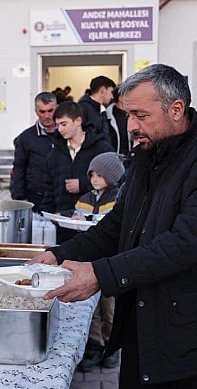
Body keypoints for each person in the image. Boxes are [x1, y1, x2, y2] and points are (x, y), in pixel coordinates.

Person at [30, 64, 197, 389]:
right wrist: (60, 255)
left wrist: (99, 274)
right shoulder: (146, 154)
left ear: (176, 109)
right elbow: (119, 224)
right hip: (147, 323)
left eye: (140, 115)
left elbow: (186, 243)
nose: (131, 126)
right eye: (127, 115)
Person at [72, 152, 125, 372]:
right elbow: (77, 218)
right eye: (92, 174)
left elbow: (112, 226)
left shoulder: (118, 198)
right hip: (89, 261)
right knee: (90, 309)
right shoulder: (85, 199)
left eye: (100, 175)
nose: (94, 179)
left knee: (109, 307)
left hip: (110, 261)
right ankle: (94, 345)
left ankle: (111, 346)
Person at [39, 101, 113, 244]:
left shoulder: (101, 148)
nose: (59, 129)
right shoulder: (54, 154)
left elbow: (115, 181)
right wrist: (49, 215)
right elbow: (49, 188)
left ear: (78, 120)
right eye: (58, 125)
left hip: (93, 226)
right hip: (63, 226)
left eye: (64, 124)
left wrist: (83, 184)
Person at [11, 92, 58, 211]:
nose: (47, 116)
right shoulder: (26, 138)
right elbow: (19, 167)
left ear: (57, 109)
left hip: (62, 196)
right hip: (36, 197)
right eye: (42, 112)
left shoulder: (66, 134)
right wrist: (20, 197)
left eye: (50, 111)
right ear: (36, 111)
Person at [78, 76, 116, 144]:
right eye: (111, 92)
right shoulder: (83, 108)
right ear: (103, 90)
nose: (112, 97)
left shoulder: (102, 110)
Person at [106, 88, 131, 158]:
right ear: (121, 98)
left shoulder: (132, 115)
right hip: (112, 159)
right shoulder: (107, 116)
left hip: (130, 159)